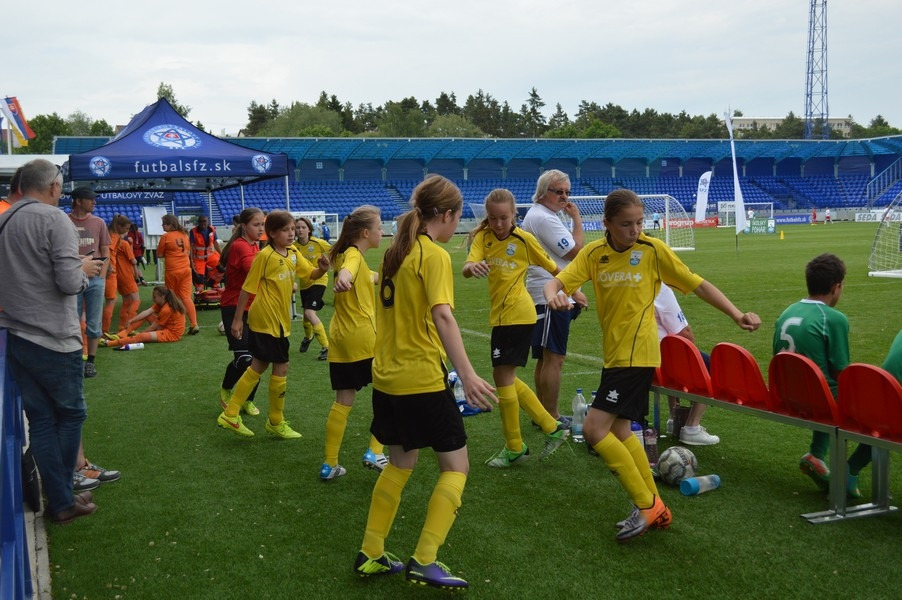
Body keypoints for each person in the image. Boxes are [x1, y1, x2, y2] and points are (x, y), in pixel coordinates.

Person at [544, 188, 760, 541]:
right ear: (607, 224)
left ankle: (646, 505)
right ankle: (655, 503)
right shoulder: (594, 254)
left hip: (638, 355)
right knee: (620, 430)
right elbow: (558, 281)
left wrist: (736, 314)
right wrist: (553, 294)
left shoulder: (652, 250)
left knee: (595, 431)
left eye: (639, 222)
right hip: (615, 356)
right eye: (626, 224)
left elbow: (698, 284)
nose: (635, 230)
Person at [354, 175, 496, 589]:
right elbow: (443, 315)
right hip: (420, 380)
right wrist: (467, 374)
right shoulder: (431, 255)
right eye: (458, 218)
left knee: (401, 463)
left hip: (387, 379)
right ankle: (425, 559)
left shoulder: (395, 252)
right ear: (447, 215)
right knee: (456, 467)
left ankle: (371, 552)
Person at [0, 158, 104, 524]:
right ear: (54, 187)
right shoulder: (54, 219)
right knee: (71, 414)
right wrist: (84, 270)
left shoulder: (5, 219)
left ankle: (60, 499)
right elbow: (69, 282)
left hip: (16, 335)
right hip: (54, 338)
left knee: (42, 421)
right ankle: (61, 497)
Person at [462, 189, 569, 467]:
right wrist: (472, 268)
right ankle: (551, 427)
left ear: (514, 215)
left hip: (519, 315)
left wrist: (574, 290)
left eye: (504, 218)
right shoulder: (483, 237)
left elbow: (554, 269)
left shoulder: (524, 239)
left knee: (502, 376)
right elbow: (467, 266)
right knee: (505, 377)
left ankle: (515, 446)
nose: (498, 223)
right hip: (500, 317)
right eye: (493, 218)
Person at [216, 210, 329, 439]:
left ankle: (233, 413)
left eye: (293, 229)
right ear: (273, 233)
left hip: (279, 320)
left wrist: (323, 269)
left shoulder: (293, 252)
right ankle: (272, 420)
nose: (292, 233)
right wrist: (237, 320)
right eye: (286, 230)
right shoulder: (264, 256)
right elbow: (247, 288)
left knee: (259, 365)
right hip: (266, 319)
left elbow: (310, 274)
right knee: (279, 366)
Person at [772, 253, 870, 498]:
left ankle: (817, 455)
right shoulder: (833, 318)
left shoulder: (787, 311)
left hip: (785, 395)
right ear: (836, 287)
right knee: (877, 408)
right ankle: (848, 472)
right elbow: (841, 372)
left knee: (821, 383)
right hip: (818, 400)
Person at [320, 205, 387, 480]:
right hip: (363, 337)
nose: (382, 232)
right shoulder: (353, 256)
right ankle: (375, 451)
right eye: (380, 228)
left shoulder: (346, 253)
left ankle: (330, 464)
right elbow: (349, 271)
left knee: (343, 400)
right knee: (388, 392)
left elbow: (366, 276)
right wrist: (342, 279)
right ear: (366, 233)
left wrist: (395, 276)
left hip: (340, 338)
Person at [521, 169, 587, 424]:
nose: (564, 197)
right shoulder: (544, 218)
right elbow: (577, 253)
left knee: (545, 358)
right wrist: (577, 219)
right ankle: (551, 415)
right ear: (543, 192)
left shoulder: (541, 214)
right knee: (554, 358)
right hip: (551, 297)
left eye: (567, 192)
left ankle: (542, 414)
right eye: (558, 191)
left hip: (545, 293)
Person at [654, 284, 719, 445]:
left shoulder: (631, 285)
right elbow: (685, 333)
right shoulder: (660, 289)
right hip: (662, 359)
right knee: (712, 366)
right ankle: (692, 427)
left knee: (670, 356)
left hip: (645, 358)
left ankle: (674, 417)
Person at [218, 208, 265, 417]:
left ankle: (248, 400)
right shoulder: (240, 246)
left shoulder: (255, 245)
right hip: (234, 307)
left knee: (258, 359)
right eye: (256, 225)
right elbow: (254, 271)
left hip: (255, 308)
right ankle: (226, 388)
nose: (261, 229)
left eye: (262, 225)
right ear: (244, 226)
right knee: (245, 359)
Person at [68, 187, 111, 378]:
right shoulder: (64, 221)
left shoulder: (99, 222)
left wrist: (102, 275)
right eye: (90, 199)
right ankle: (75, 359)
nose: (94, 202)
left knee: (94, 323)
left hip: (95, 280)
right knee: (71, 321)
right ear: (78, 201)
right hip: (72, 279)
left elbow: (105, 250)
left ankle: (91, 362)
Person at [100, 286, 186, 348]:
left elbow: (154, 327)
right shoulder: (161, 303)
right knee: (146, 316)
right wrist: (131, 321)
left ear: (162, 297)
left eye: (154, 297)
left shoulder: (166, 309)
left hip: (172, 334)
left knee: (141, 337)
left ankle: (108, 343)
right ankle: (123, 334)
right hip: (165, 327)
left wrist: (141, 335)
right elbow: (146, 312)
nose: (153, 299)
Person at [294, 216, 331, 361]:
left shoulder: (318, 243)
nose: (300, 230)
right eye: (297, 227)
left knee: (309, 313)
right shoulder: (293, 247)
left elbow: (335, 251)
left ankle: (326, 347)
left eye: (303, 227)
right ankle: (308, 337)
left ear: (309, 229)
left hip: (319, 280)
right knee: (306, 316)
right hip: (305, 283)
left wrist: (330, 262)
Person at [158, 214, 199, 334]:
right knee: (186, 297)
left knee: (172, 297)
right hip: (186, 269)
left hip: (172, 270)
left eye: (164, 224)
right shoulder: (184, 235)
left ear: (170, 225)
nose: (162, 226)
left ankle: (175, 323)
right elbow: (187, 252)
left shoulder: (166, 236)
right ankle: (194, 324)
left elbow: (159, 254)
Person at [103, 215, 141, 334]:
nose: (127, 231)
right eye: (126, 228)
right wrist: (109, 267)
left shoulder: (115, 237)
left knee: (125, 300)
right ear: (119, 226)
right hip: (120, 273)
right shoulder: (116, 238)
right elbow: (132, 260)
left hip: (117, 273)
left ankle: (120, 327)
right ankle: (124, 327)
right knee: (133, 300)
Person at [189, 215, 221, 290]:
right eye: (200, 221)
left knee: (221, 267)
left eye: (204, 221)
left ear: (208, 222)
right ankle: (199, 293)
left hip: (211, 256)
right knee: (198, 278)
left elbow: (215, 242)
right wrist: (191, 260)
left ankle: (214, 283)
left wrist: (221, 253)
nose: (202, 223)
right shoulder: (193, 232)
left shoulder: (212, 230)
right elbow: (190, 247)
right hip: (198, 259)